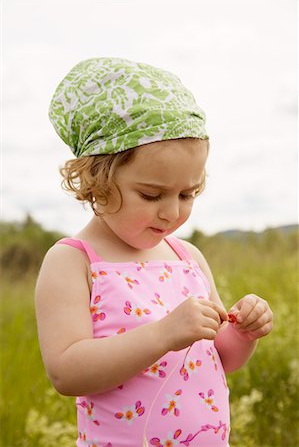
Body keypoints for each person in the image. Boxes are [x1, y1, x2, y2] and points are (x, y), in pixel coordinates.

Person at [35, 57, 273, 447]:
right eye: (151, 194)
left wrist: (243, 334)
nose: (172, 211)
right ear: (97, 180)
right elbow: (66, 372)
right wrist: (163, 334)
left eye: (187, 194)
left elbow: (220, 360)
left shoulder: (187, 257)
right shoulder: (74, 261)